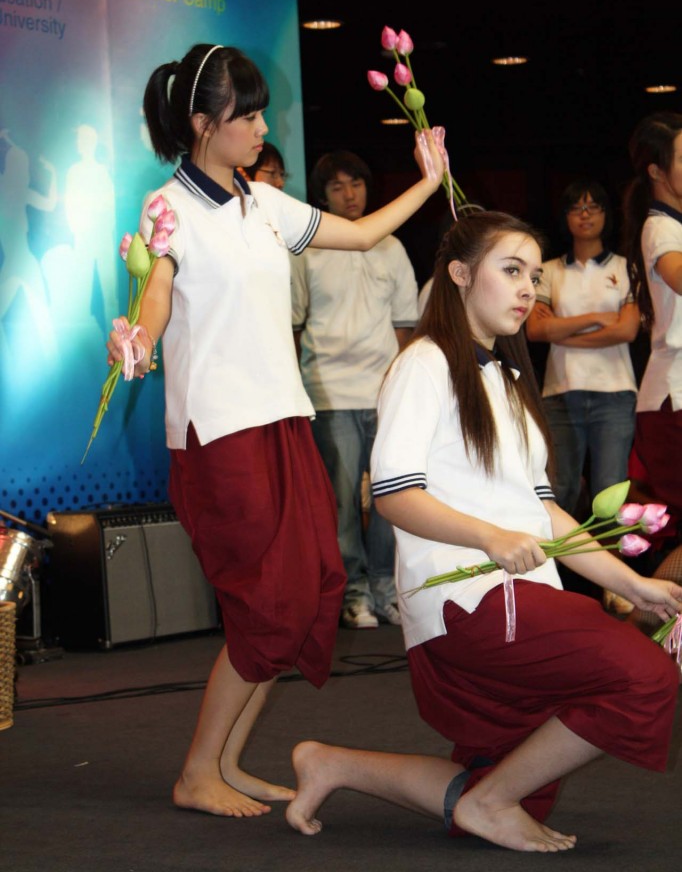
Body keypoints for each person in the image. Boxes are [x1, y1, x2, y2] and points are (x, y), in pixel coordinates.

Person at [105, 43, 444, 820]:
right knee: (266, 603)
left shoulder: (265, 204)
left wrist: (428, 180)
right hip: (220, 433)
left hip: (284, 420)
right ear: (201, 122)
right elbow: (155, 293)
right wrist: (139, 338)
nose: (261, 128)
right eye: (246, 115)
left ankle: (222, 762)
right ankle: (199, 770)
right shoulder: (168, 211)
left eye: (260, 113)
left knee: (304, 592)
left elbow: (360, 235)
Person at [285, 211, 682, 852]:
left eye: (532, 274)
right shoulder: (425, 364)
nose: (529, 288)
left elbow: (545, 511)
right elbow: (392, 494)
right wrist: (490, 538)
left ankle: (335, 764)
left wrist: (633, 583)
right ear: (461, 275)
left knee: (494, 781)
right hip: (469, 600)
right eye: (512, 270)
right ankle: (494, 802)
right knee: (646, 678)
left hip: (519, 596)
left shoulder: (508, 378)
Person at [291, 150, 418, 629]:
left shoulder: (392, 246)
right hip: (330, 391)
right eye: (338, 187)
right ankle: (354, 592)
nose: (350, 195)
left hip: (383, 391)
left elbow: (405, 326)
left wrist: (396, 384)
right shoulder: (308, 250)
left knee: (392, 496)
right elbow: (295, 323)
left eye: (357, 184)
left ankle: (387, 587)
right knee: (343, 499)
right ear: (322, 196)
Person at [526, 179, 639, 518]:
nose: (584, 215)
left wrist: (562, 333)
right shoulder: (548, 271)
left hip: (615, 392)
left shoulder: (624, 267)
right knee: (560, 489)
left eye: (593, 207)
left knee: (610, 491)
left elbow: (627, 330)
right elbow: (535, 329)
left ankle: (611, 570)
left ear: (607, 214)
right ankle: (555, 570)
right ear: (565, 217)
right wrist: (598, 318)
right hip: (560, 390)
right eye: (576, 208)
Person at [622, 112, 682, 540]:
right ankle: (637, 601)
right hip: (673, 396)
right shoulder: (660, 226)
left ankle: (636, 601)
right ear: (657, 172)